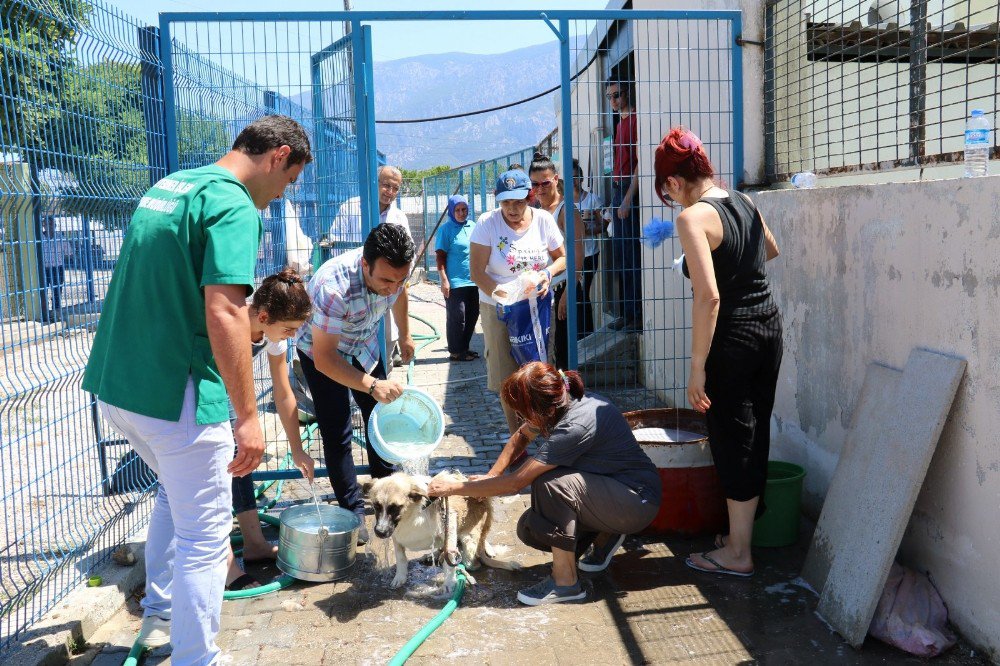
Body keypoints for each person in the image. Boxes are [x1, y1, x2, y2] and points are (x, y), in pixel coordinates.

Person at [83, 114, 312, 662]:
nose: (281, 197)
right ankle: (197, 657)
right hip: (176, 396)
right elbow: (227, 310)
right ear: (278, 155)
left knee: (173, 498)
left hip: (120, 389)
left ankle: (160, 618)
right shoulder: (232, 203)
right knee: (206, 540)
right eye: (289, 182)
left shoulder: (172, 185)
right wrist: (246, 416)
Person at [653, 127, 782, 578]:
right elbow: (770, 249)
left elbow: (708, 298)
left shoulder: (692, 218)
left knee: (731, 440)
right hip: (768, 327)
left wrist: (696, 367)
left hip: (733, 339)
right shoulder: (744, 201)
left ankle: (739, 554)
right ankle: (737, 538)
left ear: (673, 182)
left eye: (668, 193)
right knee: (754, 433)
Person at [427, 361, 661, 605]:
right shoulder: (561, 401)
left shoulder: (575, 425)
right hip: (614, 491)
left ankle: (566, 583)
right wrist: (493, 474)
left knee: (551, 485)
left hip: (636, 500)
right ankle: (605, 535)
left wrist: (454, 488)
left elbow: (516, 483)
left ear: (542, 409)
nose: (519, 417)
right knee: (531, 528)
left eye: (522, 411)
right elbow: (521, 436)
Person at [295, 222, 416, 543]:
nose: (393, 287)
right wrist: (373, 385)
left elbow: (400, 295)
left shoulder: (396, 274)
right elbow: (325, 359)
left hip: (364, 345)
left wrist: (405, 333)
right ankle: (353, 513)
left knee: (382, 424)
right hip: (322, 354)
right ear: (365, 264)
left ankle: (387, 503)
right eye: (386, 280)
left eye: (400, 279)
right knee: (337, 432)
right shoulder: (332, 288)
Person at [224, 269, 315, 591]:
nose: (293, 336)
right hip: (200, 400)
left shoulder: (271, 335)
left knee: (242, 461)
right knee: (218, 471)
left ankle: (254, 543)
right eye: (289, 329)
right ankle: (226, 566)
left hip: (228, 401)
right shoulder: (231, 325)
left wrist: (298, 448)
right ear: (263, 315)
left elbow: (283, 392)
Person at [469, 169, 566, 434]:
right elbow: (477, 272)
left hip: (537, 307)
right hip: (498, 307)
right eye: (505, 202)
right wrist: (502, 296)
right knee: (507, 374)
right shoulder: (487, 223)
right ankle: (517, 438)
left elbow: (562, 258)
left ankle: (544, 429)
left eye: (519, 201)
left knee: (539, 370)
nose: (512, 209)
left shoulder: (544, 220)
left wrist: (547, 273)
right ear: (497, 200)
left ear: (529, 196)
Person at [528, 152, 586, 370]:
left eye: (545, 183)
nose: (540, 189)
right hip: (543, 292)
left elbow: (577, 256)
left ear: (555, 179)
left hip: (563, 289)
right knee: (545, 354)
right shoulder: (536, 212)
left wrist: (567, 294)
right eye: (535, 184)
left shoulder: (567, 211)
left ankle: (566, 401)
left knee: (563, 356)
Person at [606, 80, 641, 331]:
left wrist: (628, 197)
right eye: (610, 97)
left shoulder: (637, 121)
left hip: (628, 190)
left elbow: (639, 163)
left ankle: (637, 315)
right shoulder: (620, 124)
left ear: (628, 92)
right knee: (619, 255)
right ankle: (626, 313)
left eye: (617, 95)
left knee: (631, 256)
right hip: (618, 189)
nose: (614, 101)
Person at [435, 194, 480, 362]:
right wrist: (444, 280)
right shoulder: (445, 230)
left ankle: (465, 348)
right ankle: (455, 351)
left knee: (473, 315)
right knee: (457, 317)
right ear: (452, 211)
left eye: (464, 209)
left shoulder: (473, 226)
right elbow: (440, 257)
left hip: (473, 280)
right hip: (455, 282)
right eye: (457, 210)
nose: (461, 213)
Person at [573, 159, 604, 337]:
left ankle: (586, 334)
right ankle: (577, 334)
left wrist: (589, 229)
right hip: (570, 255)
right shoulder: (564, 203)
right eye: (571, 177)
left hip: (589, 253)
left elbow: (603, 226)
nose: (574, 181)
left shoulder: (593, 200)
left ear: (582, 178)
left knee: (583, 294)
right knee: (575, 294)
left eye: (576, 177)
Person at [40, 216, 71, 322]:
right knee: (43, 292)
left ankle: (56, 313)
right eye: (46, 224)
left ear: (55, 225)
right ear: (43, 225)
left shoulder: (60, 238)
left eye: (51, 224)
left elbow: (69, 253)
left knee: (57, 292)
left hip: (57, 268)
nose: (48, 226)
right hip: (43, 269)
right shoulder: (39, 238)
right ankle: (45, 315)